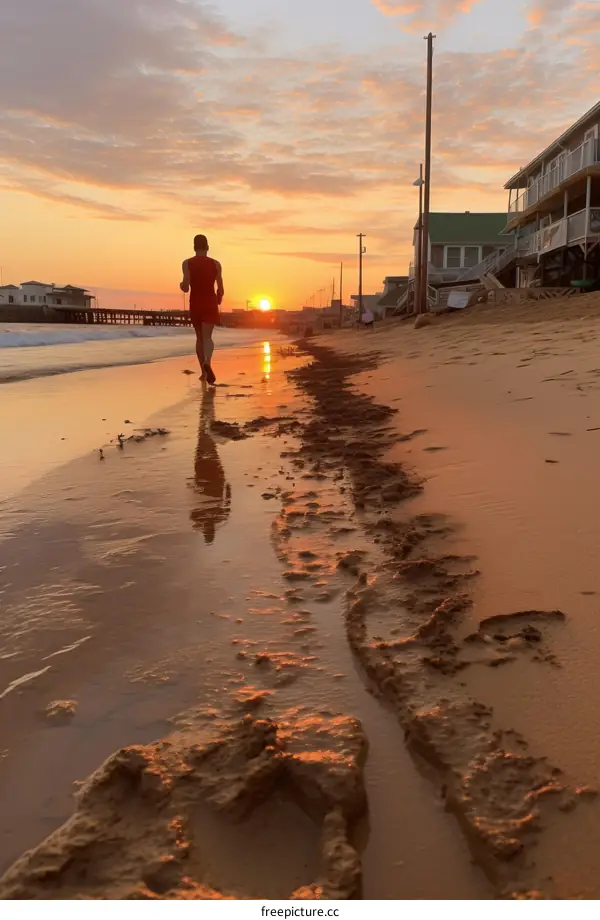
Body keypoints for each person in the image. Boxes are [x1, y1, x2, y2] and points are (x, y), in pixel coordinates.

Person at [180, 234, 224, 384]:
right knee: (208, 338)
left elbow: (185, 287)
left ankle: (203, 373)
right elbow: (221, 289)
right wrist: (218, 299)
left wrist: (182, 285)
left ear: (194, 247)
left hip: (196, 302)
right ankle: (208, 363)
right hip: (210, 301)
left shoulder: (187, 263)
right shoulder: (216, 264)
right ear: (207, 247)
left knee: (199, 338)